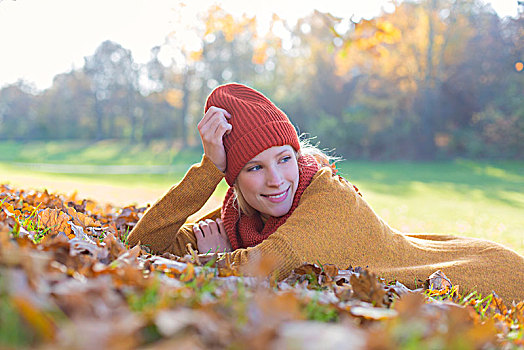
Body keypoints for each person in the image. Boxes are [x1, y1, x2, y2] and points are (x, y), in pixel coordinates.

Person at [128, 83, 524, 302]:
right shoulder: (241, 214)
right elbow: (145, 243)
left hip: (487, 274)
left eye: (284, 158)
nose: (277, 179)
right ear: (235, 180)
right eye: (254, 167)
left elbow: (261, 266)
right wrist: (208, 170)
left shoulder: (326, 198)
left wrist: (215, 256)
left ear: (296, 152)